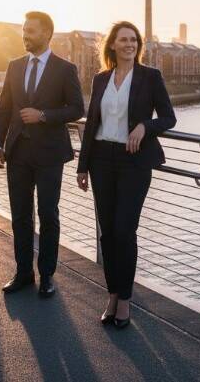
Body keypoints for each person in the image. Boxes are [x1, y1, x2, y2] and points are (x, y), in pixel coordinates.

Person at [76, 21, 176, 328]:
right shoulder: (100, 79)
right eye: (124, 39)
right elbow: (92, 124)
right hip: (101, 161)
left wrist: (145, 126)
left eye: (134, 40)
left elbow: (170, 118)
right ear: (113, 45)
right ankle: (112, 295)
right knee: (107, 232)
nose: (129, 44)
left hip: (133, 162)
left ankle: (126, 301)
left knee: (124, 230)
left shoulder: (150, 77)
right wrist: (82, 165)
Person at [0, 11, 84, 298]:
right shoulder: (14, 66)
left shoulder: (65, 69)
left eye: (30, 30)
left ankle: (46, 275)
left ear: (47, 33)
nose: (25, 35)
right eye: (23, 29)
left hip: (49, 154)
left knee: (48, 214)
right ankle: (22, 272)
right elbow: (4, 107)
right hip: (17, 151)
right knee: (20, 215)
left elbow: (77, 109)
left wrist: (43, 115)